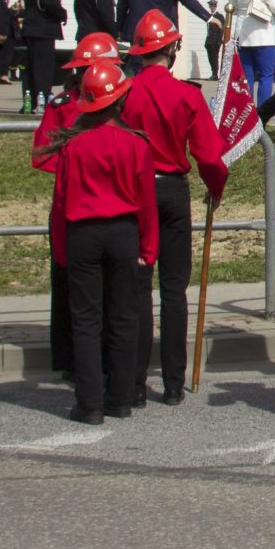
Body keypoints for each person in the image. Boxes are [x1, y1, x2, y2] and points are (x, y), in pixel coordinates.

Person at [38, 61, 159, 424]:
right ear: (120, 102)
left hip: (82, 235)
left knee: (86, 321)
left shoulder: (72, 147)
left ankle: (89, 403)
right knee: (123, 318)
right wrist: (147, 248)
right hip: (123, 234)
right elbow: (146, 204)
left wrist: (60, 250)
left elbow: (60, 204)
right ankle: (120, 399)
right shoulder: (135, 144)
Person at [119, 10, 229, 407]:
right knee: (174, 290)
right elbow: (209, 155)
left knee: (137, 288)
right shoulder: (186, 94)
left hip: (133, 192)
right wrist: (215, 187)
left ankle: (133, 382)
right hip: (172, 193)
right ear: (172, 48)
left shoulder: (124, 92)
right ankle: (172, 383)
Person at [35, 32, 122, 380]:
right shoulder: (63, 105)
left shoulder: (117, 101)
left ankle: (93, 362)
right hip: (73, 203)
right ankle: (75, 362)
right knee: (74, 288)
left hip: (100, 204)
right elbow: (42, 153)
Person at [18, 0, 67, 116]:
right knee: (42, 69)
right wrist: (61, 13)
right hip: (41, 28)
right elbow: (45, 1)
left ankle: (31, 102)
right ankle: (40, 101)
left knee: (34, 68)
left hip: (37, 28)